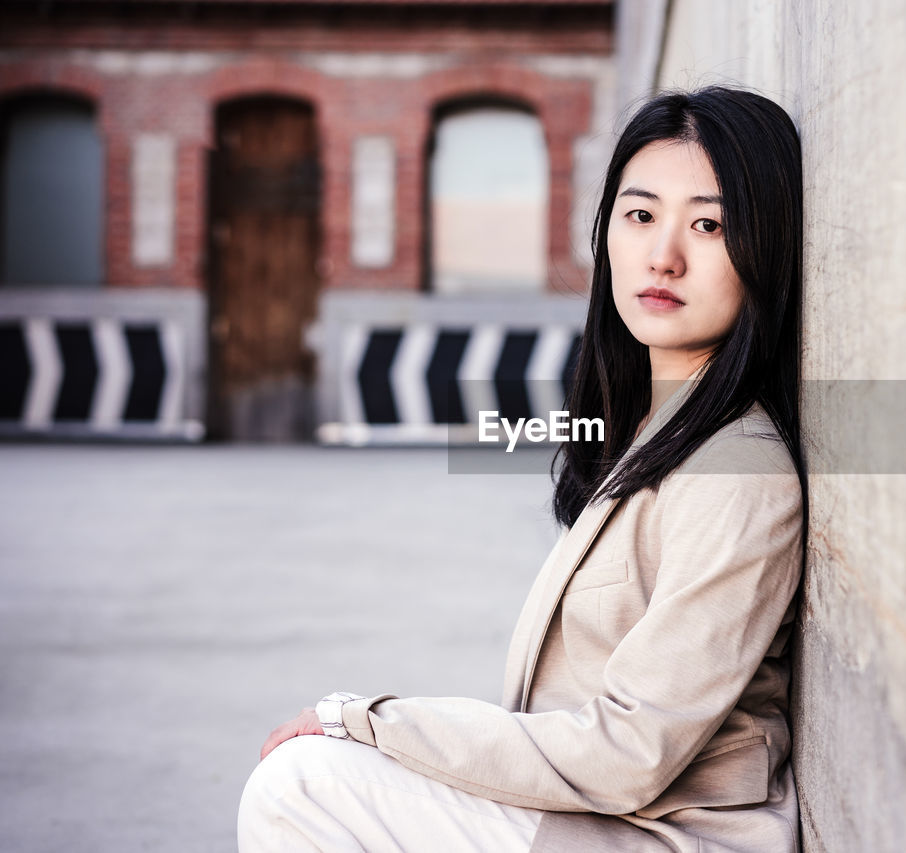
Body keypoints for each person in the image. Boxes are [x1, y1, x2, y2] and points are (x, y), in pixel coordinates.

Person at [238, 84, 807, 852]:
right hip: (592, 821)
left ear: (762, 250)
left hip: (665, 836)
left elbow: (629, 752)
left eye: (709, 225)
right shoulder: (654, 430)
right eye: (641, 216)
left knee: (301, 784)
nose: (663, 255)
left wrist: (369, 721)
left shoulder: (738, 473)